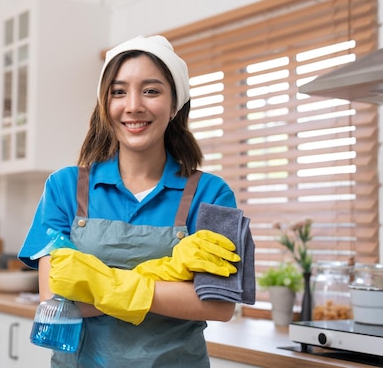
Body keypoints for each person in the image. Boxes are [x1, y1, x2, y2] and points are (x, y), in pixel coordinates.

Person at [18, 35, 242, 367]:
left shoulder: (212, 194)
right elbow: (55, 300)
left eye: (151, 91)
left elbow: (218, 304)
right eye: (118, 92)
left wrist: (103, 283)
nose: (133, 105)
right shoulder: (64, 187)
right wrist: (170, 285)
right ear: (105, 105)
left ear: (175, 105)